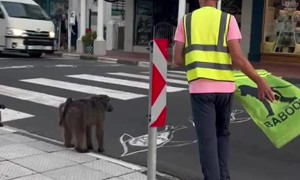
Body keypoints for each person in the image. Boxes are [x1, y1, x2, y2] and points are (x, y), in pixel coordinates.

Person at [172, 0, 275, 180]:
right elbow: (238, 59)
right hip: (224, 89)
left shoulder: (186, 21)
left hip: (201, 89)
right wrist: (259, 80)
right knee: (222, 135)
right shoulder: (228, 20)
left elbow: (177, 60)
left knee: (207, 140)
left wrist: (197, 58)